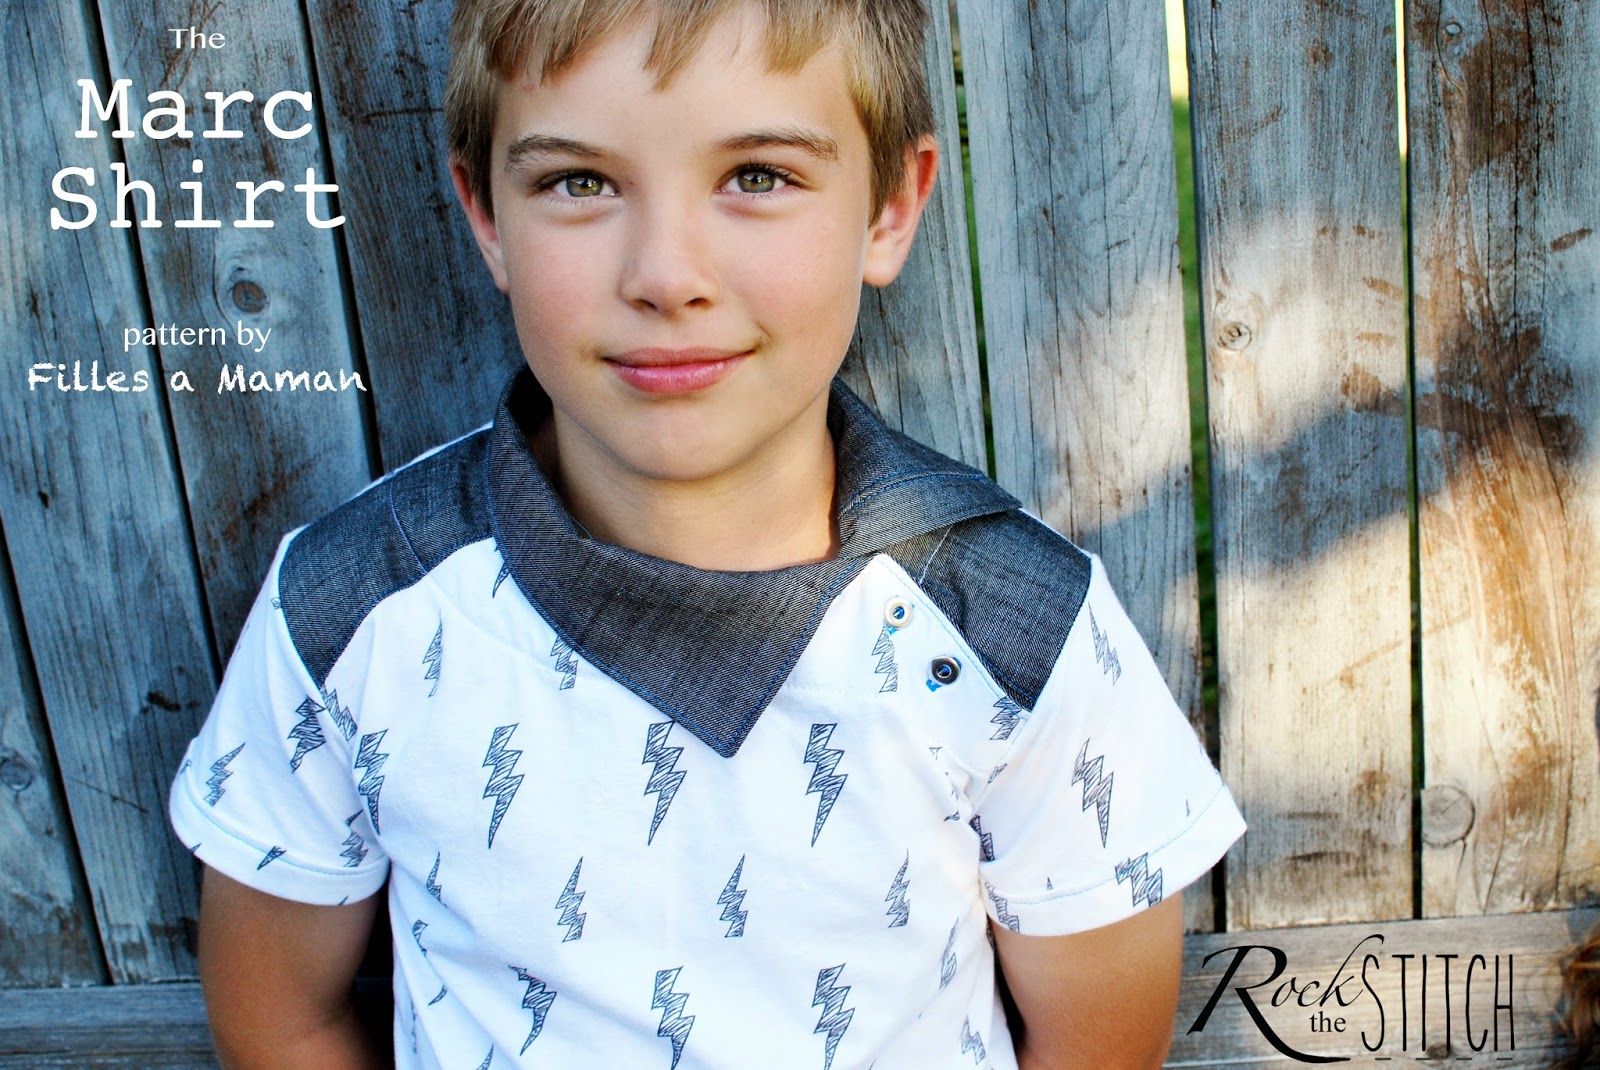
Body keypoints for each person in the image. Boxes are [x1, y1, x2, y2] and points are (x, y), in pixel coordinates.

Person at [167, 1, 1245, 1067]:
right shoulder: (355, 608)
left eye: (758, 176)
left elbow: (1097, 1038)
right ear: (488, 218)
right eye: (578, 183)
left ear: (887, 208)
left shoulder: (1014, 632)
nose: (666, 276)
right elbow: (280, 1016)